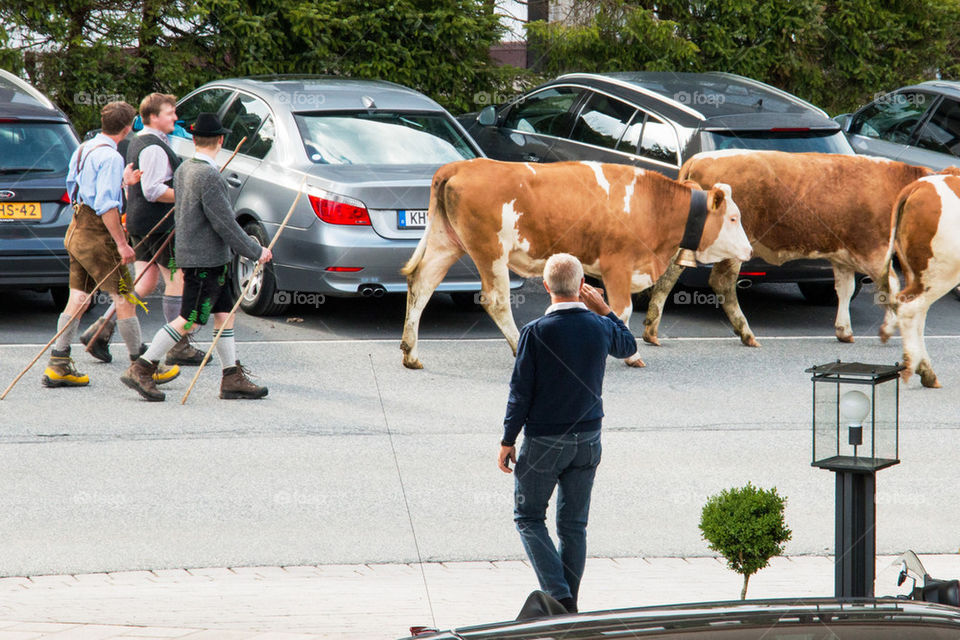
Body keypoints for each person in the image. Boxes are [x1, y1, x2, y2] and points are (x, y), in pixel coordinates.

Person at [497, 253, 637, 613]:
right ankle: (569, 605)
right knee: (574, 526)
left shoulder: (535, 333)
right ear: (581, 287)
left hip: (545, 442)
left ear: (545, 287)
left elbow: (521, 393)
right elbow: (629, 346)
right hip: (589, 440)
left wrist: (508, 440)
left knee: (528, 518)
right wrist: (605, 309)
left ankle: (559, 597)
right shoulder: (600, 326)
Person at [121, 112, 272, 402]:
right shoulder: (209, 175)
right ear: (221, 140)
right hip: (205, 262)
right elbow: (225, 223)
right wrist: (256, 251)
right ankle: (142, 367)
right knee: (188, 320)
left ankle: (231, 377)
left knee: (224, 315)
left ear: (193, 138)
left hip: (199, 256)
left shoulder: (185, 169)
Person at [42, 101, 179, 388]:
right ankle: (140, 364)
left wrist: (122, 182)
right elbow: (106, 206)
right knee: (126, 298)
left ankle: (58, 363)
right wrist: (121, 243)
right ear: (129, 127)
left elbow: (74, 185)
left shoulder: (85, 148)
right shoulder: (112, 157)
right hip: (97, 233)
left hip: (77, 227)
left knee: (78, 297)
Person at [80, 93, 206, 366]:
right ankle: (178, 346)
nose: (175, 117)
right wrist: (188, 194)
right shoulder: (153, 148)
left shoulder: (140, 142)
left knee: (145, 282)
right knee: (177, 280)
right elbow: (153, 190)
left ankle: (100, 330)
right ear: (153, 117)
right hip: (158, 224)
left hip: (141, 222)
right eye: (169, 113)